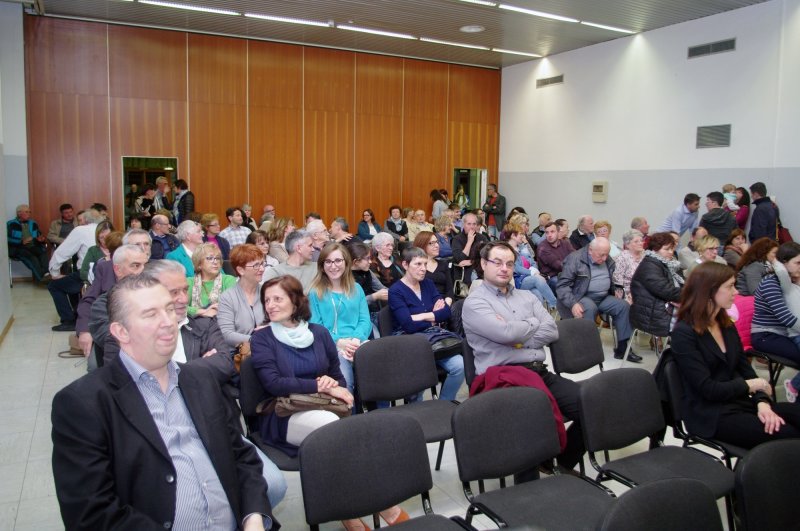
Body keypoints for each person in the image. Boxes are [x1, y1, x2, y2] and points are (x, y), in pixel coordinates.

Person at [52, 275, 277, 531]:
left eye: (169, 309)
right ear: (120, 332)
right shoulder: (83, 403)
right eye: (150, 314)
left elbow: (241, 456)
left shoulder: (199, 378)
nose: (169, 322)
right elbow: (91, 514)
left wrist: (254, 516)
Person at [462, 241, 585, 471]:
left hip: (538, 372)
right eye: (497, 262)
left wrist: (517, 335)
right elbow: (505, 333)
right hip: (504, 379)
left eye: (509, 263)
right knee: (531, 417)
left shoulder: (527, 296)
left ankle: (561, 463)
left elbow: (551, 330)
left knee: (590, 403)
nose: (504, 268)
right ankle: (527, 482)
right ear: (483, 264)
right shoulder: (475, 302)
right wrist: (531, 323)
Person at [670, 262, 800, 449]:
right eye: (730, 286)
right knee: (790, 437)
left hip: (739, 402)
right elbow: (708, 389)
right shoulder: (684, 334)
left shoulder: (726, 325)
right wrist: (751, 386)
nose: (736, 292)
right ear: (709, 291)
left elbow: (746, 370)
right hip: (712, 414)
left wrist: (762, 402)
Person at [387, 247, 464, 401]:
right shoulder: (396, 291)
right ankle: (417, 408)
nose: (423, 269)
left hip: (432, 337)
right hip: (409, 340)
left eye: (425, 264)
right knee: (421, 373)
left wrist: (422, 316)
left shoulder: (427, 283)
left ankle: (444, 403)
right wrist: (434, 317)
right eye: (418, 264)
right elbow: (408, 325)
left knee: (460, 366)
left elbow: (446, 312)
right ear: (405, 265)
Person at [556, 237, 639, 362]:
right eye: (601, 255)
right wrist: (572, 304)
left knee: (623, 306)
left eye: (607, 254)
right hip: (580, 296)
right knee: (589, 307)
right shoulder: (575, 259)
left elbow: (613, 279)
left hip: (603, 297)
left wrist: (617, 290)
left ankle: (623, 349)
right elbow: (562, 286)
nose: (605, 258)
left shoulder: (606, 258)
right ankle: (587, 350)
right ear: (590, 250)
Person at [308, 243, 371, 393]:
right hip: (331, 345)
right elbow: (316, 327)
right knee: (346, 384)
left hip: (357, 342)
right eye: (328, 262)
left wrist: (355, 339)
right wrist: (339, 341)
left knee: (381, 377)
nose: (333, 266)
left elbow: (364, 320)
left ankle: (379, 416)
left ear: (346, 263)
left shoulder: (357, 289)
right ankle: (351, 416)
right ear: (322, 266)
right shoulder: (315, 293)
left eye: (338, 261)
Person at [752, 243, 800, 396]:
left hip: (785, 334)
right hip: (766, 336)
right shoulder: (770, 283)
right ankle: (794, 388)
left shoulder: (792, 282)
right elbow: (786, 318)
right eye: (798, 263)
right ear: (783, 263)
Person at [47, 209, 104, 331]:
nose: (79, 222)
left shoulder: (80, 230)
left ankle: (68, 321)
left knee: (54, 286)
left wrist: (54, 272)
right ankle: (78, 314)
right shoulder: (107, 229)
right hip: (107, 272)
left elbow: (63, 253)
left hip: (88, 274)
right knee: (72, 282)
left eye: (80, 220)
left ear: (86, 220)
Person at [629, 232, 684, 338]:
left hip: (662, 305)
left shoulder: (670, 264)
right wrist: (690, 296)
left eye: (672, 249)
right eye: (667, 249)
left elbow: (682, 285)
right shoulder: (649, 265)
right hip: (652, 312)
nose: (671, 252)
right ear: (655, 249)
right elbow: (665, 290)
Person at [218, 244, 268, 350]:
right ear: (241, 270)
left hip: (268, 348)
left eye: (262, 264)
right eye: (256, 265)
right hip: (240, 353)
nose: (262, 269)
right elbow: (227, 334)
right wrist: (256, 340)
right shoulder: (228, 297)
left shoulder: (267, 292)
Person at [503, 222, 557, 308]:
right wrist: (532, 273)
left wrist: (534, 270)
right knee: (537, 280)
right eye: (520, 234)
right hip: (517, 280)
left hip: (527, 278)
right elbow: (515, 268)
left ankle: (540, 317)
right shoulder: (507, 250)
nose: (523, 236)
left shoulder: (521, 247)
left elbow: (532, 261)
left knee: (537, 293)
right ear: (513, 235)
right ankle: (554, 304)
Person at [186, 243, 237, 318]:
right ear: (199, 264)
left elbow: (233, 306)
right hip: (195, 326)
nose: (215, 262)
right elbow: (180, 308)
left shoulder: (228, 280)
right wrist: (202, 312)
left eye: (218, 258)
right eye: (209, 258)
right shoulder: (189, 282)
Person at [349, 242, 388, 328]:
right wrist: (375, 296)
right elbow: (353, 304)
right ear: (356, 261)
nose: (370, 262)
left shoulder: (367, 271)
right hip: (359, 317)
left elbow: (381, 288)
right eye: (367, 259)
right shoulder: (347, 278)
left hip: (374, 312)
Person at [7, 203, 50, 282]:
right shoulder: (11, 224)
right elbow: (7, 239)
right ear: (19, 213)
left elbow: (38, 235)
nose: (29, 214)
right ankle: (42, 279)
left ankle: (46, 274)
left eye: (29, 212)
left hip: (32, 246)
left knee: (42, 252)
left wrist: (41, 239)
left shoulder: (33, 223)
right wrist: (21, 242)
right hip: (17, 248)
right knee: (32, 258)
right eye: (26, 212)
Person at [414, 231, 455, 306]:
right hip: (424, 304)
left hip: (444, 302)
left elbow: (449, 290)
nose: (437, 245)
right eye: (431, 243)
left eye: (437, 242)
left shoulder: (443, 264)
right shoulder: (415, 266)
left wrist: (446, 304)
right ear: (422, 245)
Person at [451, 212, 488, 286]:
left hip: (481, 269)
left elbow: (488, 256)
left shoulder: (482, 238)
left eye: (474, 224)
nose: (472, 227)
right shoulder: (457, 239)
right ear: (463, 225)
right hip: (465, 272)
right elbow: (460, 259)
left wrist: (472, 261)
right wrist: (469, 242)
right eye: (469, 224)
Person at [536, 221, 574, 293]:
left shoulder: (565, 243)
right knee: (560, 283)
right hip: (551, 278)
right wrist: (573, 267)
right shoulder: (543, 248)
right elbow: (558, 265)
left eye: (552, 232)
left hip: (566, 273)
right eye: (547, 233)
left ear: (558, 232)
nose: (549, 235)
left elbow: (575, 256)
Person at [611, 229, 645, 304]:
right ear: (627, 245)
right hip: (628, 294)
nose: (640, 243)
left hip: (645, 292)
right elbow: (618, 281)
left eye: (641, 240)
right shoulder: (622, 258)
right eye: (636, 241)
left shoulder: (645, 256)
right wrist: (626, 296)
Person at [79, 220, 114, 285]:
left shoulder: (119, 248)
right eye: (101, 238)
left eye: (108, 237)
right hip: (99, 286)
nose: (105, 240)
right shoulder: (93, 250)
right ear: (97, 238)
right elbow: (83, 273)